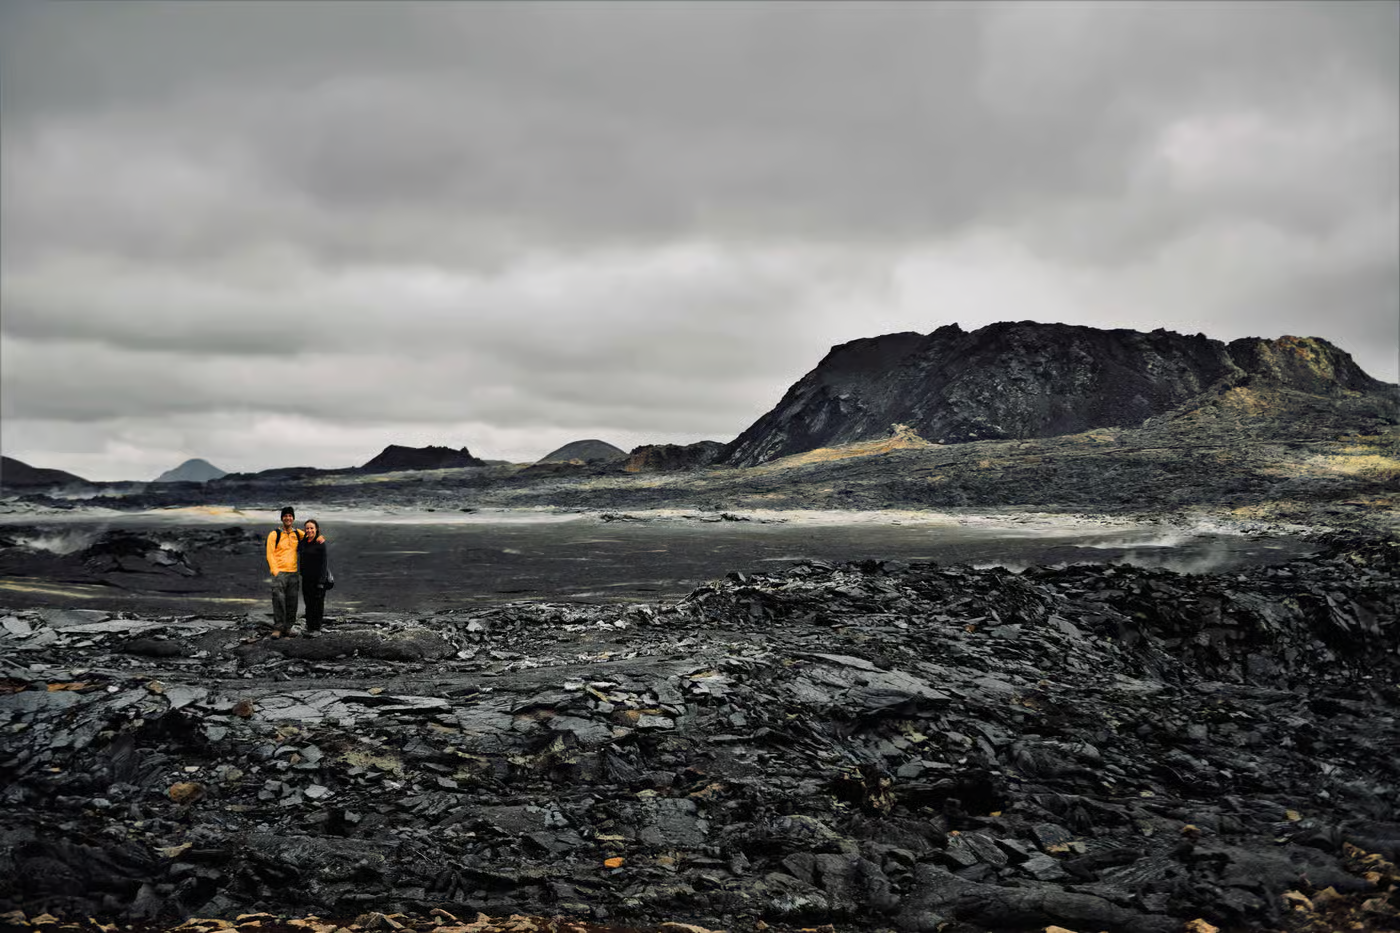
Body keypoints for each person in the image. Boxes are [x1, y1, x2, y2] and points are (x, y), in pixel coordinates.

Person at [265, 506, 302, 636]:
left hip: (293, 573)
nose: (288, 518)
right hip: (279, 572)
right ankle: (278, 628)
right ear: (282, 518)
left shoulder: (298, 533)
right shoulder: (274, 534)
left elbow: (311, 537)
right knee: (278, 599)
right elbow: (269, 554)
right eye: (285, 516)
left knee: (292, 600)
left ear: (293, 518)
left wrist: (320, 538)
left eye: (290, 516)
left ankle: (288, 627)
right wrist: (275, 571)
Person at [298, 518, 332, 635]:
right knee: (308, 603)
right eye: (307, 528)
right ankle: (309, 626)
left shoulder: (320, 543)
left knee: (318, 603)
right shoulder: (303, 542)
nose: (309, 530)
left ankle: (317, 628)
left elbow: (324, 563)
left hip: (318, 579)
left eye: (312, 528)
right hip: (306, 578)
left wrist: (321, 582)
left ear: (316, 529)